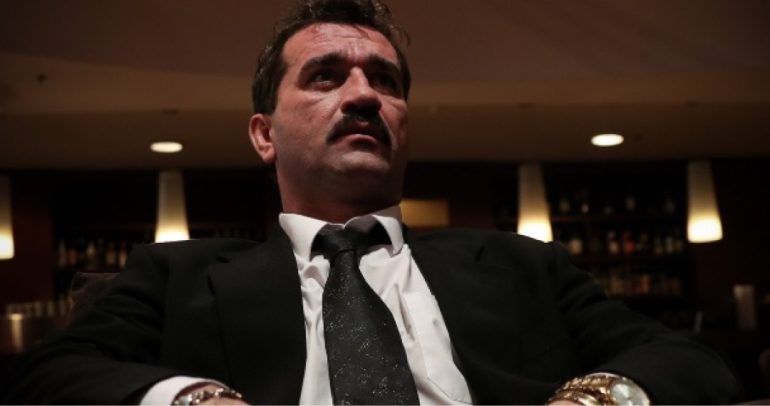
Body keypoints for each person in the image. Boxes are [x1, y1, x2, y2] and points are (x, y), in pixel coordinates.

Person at [0, 0, 740, 404]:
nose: (364, 96)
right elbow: (48, 376)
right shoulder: (175, 276)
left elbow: (690, 362)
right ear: (264, 135)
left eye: (385, 81)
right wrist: (193, 401)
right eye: (326, 77)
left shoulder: (524, 266)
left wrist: (598, 400)